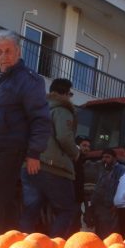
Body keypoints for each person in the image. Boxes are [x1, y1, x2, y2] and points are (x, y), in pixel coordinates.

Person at [0, 30, 50, 239]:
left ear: (18, 52)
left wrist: (34, 152)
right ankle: (10, 242)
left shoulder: (29, 80)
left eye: (8, 51)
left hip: (11, 147)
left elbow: (40, 118)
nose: (3, 56)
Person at [19, 78, 79, 238]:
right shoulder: (62, 110)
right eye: (70, 94)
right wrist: (76, 152)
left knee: (30, 210)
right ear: (65, 93)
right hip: (53, 168)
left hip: (30, 164)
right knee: (66, 210)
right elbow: (64, 137)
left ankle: (22, 246)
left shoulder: (37, 109)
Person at [86, 148, 125, 238]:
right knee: (99, 234)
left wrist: (117, 203)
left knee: (111, 236)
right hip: (99, 208)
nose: (104, 159)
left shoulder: (121, 169)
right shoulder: (101, 169)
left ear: (115, 158)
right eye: (103, 157)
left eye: (107, 157)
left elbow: (123, 187)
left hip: (112, 207)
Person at [70, 134, 92, 233]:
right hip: (71, 196)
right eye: (84, 145)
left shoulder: (82, 161)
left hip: (77, 197)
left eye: (88, 146)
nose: (87, 148)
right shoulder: (73, 159)